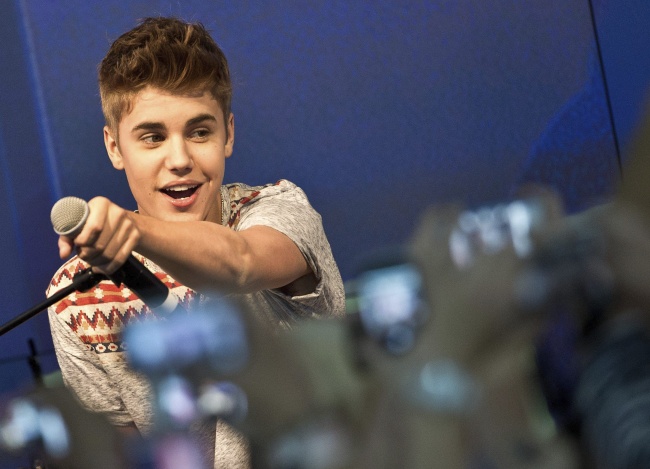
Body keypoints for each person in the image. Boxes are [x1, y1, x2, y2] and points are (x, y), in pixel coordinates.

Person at [45, 16, 345, 469]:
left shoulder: (278, 210)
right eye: (153, 138)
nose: (180, 159)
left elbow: (239, 263)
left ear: (228, 134)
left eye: (199, 132)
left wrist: (133, 229)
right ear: (114, 147)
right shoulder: (76, 296)